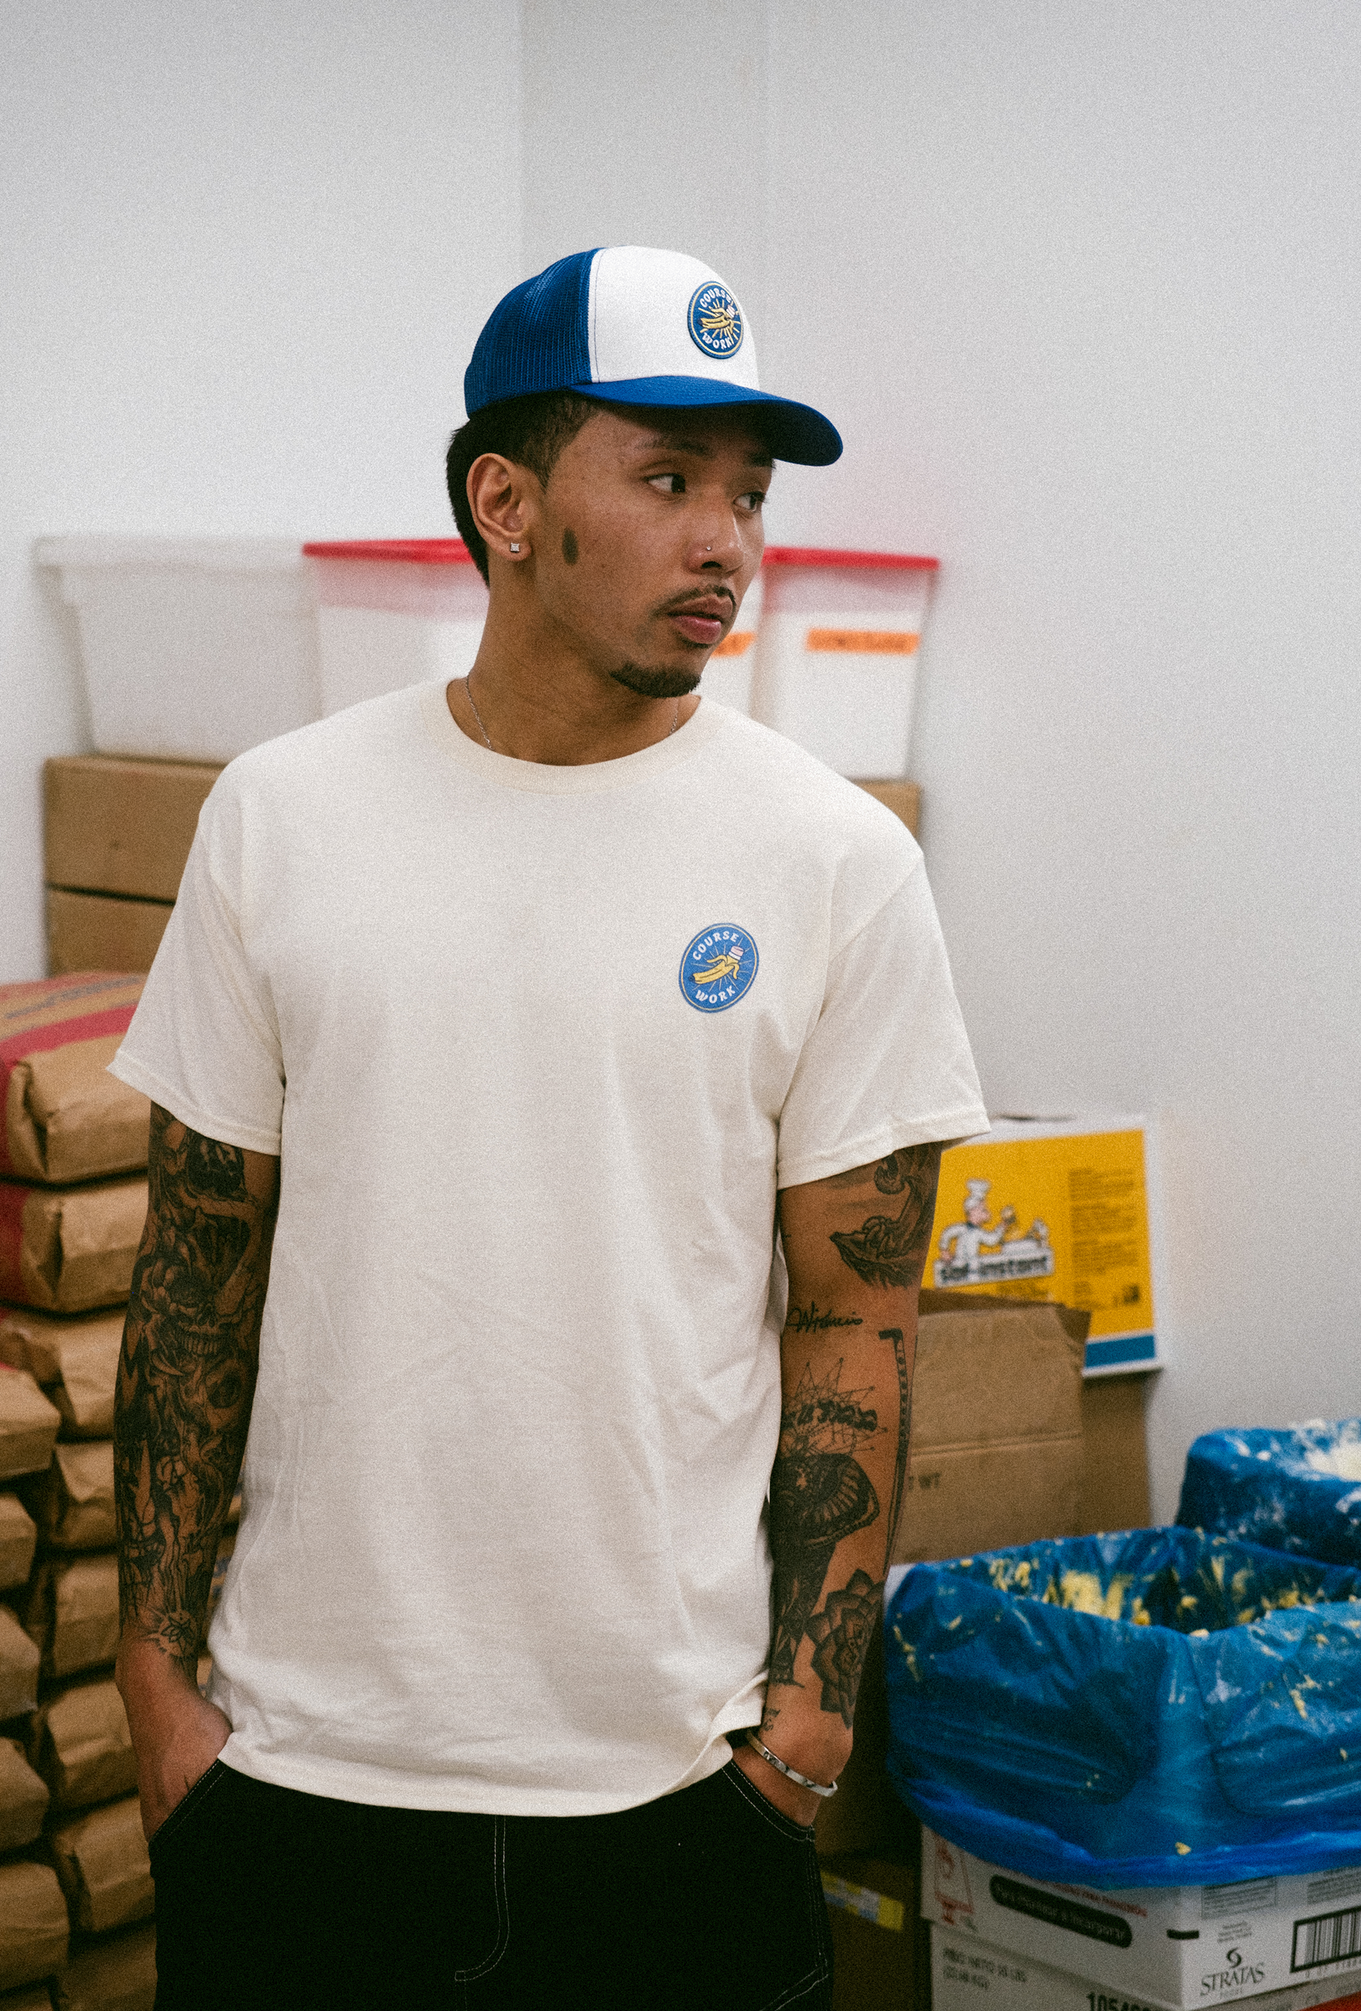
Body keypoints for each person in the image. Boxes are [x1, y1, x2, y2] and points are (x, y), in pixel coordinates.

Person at [111, 245, 988, 2009]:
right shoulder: (282, 821)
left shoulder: (836, 867)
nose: (726, 543)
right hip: (303, 1777)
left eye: (745, 493)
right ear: (504, 502)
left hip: (676, 1795)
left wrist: (806, 1729)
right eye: (666, 480)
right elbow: (200, 1268)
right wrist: (155, 1687)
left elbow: (857, 1314)